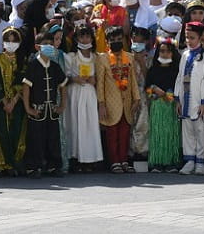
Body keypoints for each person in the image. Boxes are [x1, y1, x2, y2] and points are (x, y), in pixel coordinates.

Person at [22, 23, 67, 177]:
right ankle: (33, 166)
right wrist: (28, 108)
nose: (49, 47)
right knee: (36, 138)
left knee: (53, 138)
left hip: (52, 109)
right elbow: (26, 87)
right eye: (45, 44)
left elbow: (63, 86)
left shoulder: (55, 66)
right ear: (37, 47)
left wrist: (62, 106)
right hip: (38, 109)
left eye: (50, 44)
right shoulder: (33, 65)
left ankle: (53, 165)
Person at [96, 22, 140, 174]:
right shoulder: (102, 59)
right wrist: (101, 103)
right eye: (112, 40)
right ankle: (114, 161)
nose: (116, 42)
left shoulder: (130, 57)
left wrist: (137, 99)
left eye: (119, 39)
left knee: (125, 133)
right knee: (112, 134)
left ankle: (123, 161)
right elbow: (100, 83)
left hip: (127, 102)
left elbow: (133, 79)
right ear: (107, 42)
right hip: (110, 102)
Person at [61, 23, 105, 172]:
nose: (85, 39)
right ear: (76, 38)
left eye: (87, 36)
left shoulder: (96, 57)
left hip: (90, 94)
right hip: (75, 93)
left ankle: (90, 160)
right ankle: (74, 159)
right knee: (74, 125)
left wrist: (95, 80)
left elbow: (102, 76)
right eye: (82, 36)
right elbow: (64, 76)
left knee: (89, 126)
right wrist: (74, 79)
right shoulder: (71, 57)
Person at [175, 21, 204, 175]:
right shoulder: (185, 54)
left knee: (201, 131)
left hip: (198, 100)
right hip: (185, 98)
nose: (189, 41)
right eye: (187, 37)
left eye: (192, 37)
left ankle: (200, 162)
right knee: (188, 132)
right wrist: (178, 98)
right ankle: (189, 161)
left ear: (201, 37)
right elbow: (179, 76)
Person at [0, 25, 28, 175]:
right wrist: (4, 101)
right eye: (8, 40)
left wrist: (14, 100)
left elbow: (23, 81)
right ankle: (3, 163)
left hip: (17, 102)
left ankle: (16, 162)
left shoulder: (23, 59)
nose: (11, 44)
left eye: (14, 41)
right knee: (2, 132)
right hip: (2, 103)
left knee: (18, 131)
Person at [143, 35, 182, 173]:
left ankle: (172, 162)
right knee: (158, 134)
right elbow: (146, 88)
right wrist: (153, 89)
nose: (165, 54)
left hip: (171, 106)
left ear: (173, 53)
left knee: (171, 134)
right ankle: (157, 162)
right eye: (162, 51)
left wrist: (170, 96)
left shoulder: (176, 70)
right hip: (157, 106)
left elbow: (180, 87)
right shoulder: (153, 70)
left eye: (168, 51)